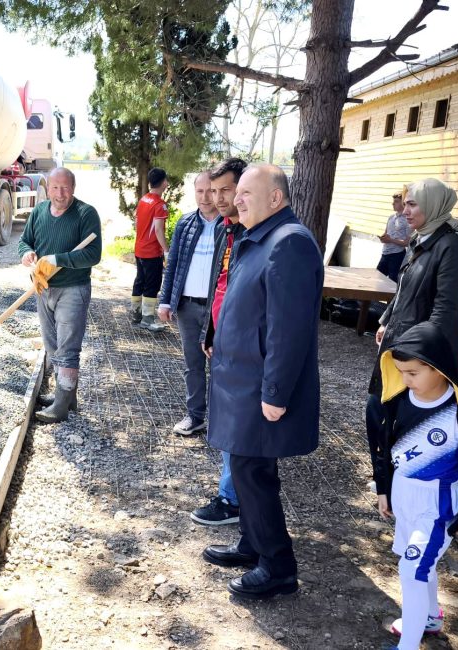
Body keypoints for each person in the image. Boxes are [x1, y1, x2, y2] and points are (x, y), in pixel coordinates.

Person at [200, 164, 323, 601]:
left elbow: (287, 329)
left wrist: (275, 393)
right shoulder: (256, 236)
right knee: (248, 468)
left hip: (258, 388)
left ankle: (277, 566)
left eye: (247, 193)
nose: (237, 200)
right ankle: (253, 544)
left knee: (252, 472)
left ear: (276, 197)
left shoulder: (288, 242)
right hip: (240, 381)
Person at [369, 321, 458, 650]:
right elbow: (384, 447)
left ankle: (407, 646)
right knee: (421, 564)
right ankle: (429, 617)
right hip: (404, 498)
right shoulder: (398, 400)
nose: (405, 380)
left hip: (436, 505)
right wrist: (384, 489)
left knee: (411, 569)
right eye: (400, 372)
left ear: (438, 368)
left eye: (413, 373)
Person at [366, 178, 458, 492]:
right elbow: (404, 288)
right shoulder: (421, 238)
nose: (405, 211)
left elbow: (446, 308)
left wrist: (425, 358)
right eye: (405, 203)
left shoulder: (449, 246)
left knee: (407, 418)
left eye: (412, 204)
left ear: (433, 205)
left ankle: (411, 485)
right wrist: (384, 320)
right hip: (399, 343)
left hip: (419, 354)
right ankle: (387, 480)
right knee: (380, 410)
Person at [188, 157, 247, 527]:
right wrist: (209, 332)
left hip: (243, 348)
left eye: (226, 189)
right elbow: (219, 285)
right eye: (214, 190)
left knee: (238, 427)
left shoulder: (257, 234)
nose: (219, 197)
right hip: (222, 341)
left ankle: (233, 498)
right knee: (227, 424)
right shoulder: (227, 230)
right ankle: (233, 493)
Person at [19, 167, 103, 423]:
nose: (60, 193)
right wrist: (27, 254)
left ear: (73, 188)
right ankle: (65, 396)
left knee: (67, 348)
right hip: (43, 287)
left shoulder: (85, 214)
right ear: (49, 189)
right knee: (52, 345)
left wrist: (58, 259)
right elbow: (25, 240)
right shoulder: (39, 212)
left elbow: (93, 254)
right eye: (55, 187)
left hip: (73, 289)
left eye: (65, 188)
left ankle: (61, 407)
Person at [157, 171, 216, 437]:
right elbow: (173, 267)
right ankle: (195, 416)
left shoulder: (231, 226)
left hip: (218, 310)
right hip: (187, 307)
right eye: (200, 191)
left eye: (210, 191)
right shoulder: (185, 224)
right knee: (193, 365)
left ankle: (221, 421)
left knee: (220, 366)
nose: (205, 197)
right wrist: (165, 300)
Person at [130, 168, 170, 332]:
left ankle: (136, 314)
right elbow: (159, 230)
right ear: (165, 183)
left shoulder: (143, 200)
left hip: (139, 249)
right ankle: (147, 319)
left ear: (149, 183)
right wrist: (166, 251)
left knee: (140, 280)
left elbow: (137, 222)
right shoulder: (160, 205)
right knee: (152, 284)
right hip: (152, 251)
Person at [378, 191, 411, 282]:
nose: (393, 203)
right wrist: (383, 239)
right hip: (385, 254)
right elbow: (386, 234)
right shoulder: (391, 217)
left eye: (396, 201)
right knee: (378, 280)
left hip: (397, 255)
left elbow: (407, 243)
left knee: (393, 283)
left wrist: (391, 240)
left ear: (403, 203)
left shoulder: (408, 219)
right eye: (393, 201)